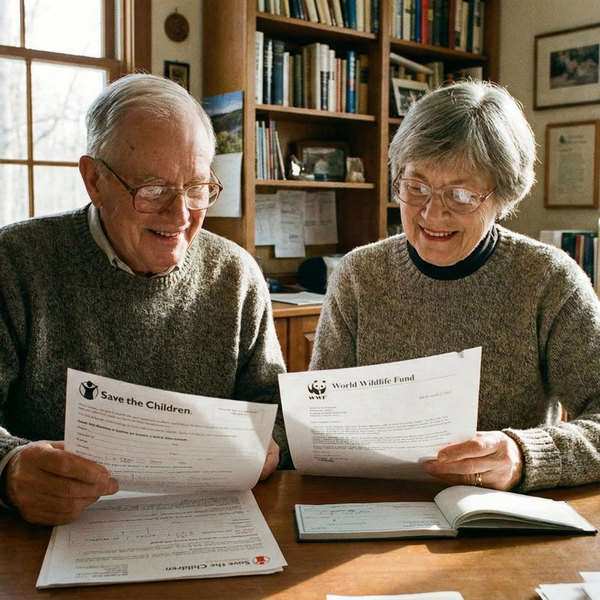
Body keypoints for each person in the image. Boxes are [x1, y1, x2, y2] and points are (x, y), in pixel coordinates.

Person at [0, 73, 289, 526]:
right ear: (94, 180)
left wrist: (270, 444)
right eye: (153, 190)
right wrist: (9, 468)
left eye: (197, 189)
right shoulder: (14, 264)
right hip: (47, 543)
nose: (180, 216)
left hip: (206, 535)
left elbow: (275, 412)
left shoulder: (236, 276)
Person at [310, 79, 600, 493]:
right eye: (416, 187)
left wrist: (523, 455)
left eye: (460, 194)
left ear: (502, 198)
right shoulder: (358, 276)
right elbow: (320, 419)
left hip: (500, 518)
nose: (432, 212)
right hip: (373, 508)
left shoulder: (550, 282)